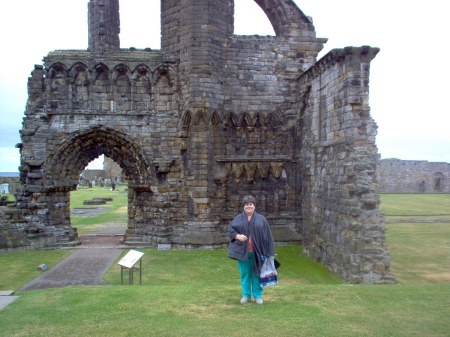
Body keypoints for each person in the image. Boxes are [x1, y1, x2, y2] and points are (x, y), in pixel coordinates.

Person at [228, 195, 275, 304]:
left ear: (254, 206)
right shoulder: (238, 218)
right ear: (243, 206)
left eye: (250, 204)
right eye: (246, 205)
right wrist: (237, 236)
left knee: (257, 274)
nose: (248, 206)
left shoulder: (261, 219)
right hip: (243, 253)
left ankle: (258, 295)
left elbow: (268, 236)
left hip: (258, 253)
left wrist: (270, 252)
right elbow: (231, 230)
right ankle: (246, 295)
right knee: (245, 274)